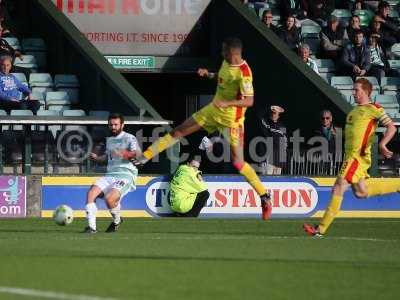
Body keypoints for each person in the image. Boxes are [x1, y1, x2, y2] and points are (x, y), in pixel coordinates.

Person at [133, 37, 273, 220]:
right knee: (178, 131)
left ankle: (264, 196)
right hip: (212, 111)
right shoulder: (226, 63)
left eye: (225, 51)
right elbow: (222, 79)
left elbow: (249, 100)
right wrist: (208, 74)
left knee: (238, 163)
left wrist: (228, 102)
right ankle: (145, 157)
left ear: (234, 53)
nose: (222, 54)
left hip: (232, 121)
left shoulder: (244, 73)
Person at [303, 78, 397, 237]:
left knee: (339, 185)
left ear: (366, 92)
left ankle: (320, 229)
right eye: (353, 90)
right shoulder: (353, 112)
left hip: (357, 157)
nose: (353, 93)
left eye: (357, 90)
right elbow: (355, 133)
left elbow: (391, 127)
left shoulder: (374, 108)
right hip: (350, 156)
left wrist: (382, 144)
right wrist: (340, 134)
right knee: (361, 192)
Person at [84, 113, 141, 233]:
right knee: (91, 193)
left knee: (109, 199)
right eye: (111, 125)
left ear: (122, 125)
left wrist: (123, 153)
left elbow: (136, 154)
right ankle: (91, 227)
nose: (113, 127)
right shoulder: (109, 140)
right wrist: (96, 158)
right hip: (110, 175)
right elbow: (107, 158)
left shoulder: (130, 138)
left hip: (126, 175)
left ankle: (117, 220)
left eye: (116, 124)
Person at [258, 105, 287, 175]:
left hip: (278, 159)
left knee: (277, 182)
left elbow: (285, 142)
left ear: (279, 115)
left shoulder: (282, 126)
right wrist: (271, 107)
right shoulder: (266, 123)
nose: (273, 114)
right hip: (267, 157)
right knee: (266, 181)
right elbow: (259, 115)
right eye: (272, 112)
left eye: (275, 113)